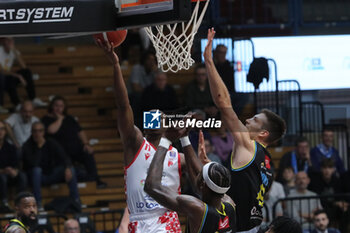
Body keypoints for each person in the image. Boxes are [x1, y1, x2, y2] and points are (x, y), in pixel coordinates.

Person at [203, 28, 286, 232]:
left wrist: (209, 61)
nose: (248, 119)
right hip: (253, 227)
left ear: (263, 133)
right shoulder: (268, 165)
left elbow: (223, 103)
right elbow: (241, 188)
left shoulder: (249, 146)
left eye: (255, 120)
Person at [97, 39, 183, 232]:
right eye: (151, 117)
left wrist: (188, 144)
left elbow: (200, 177)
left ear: (165, 126)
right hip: (139, 219)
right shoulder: (135, 143)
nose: (155, 119)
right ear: (145, 127)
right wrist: (116, 65)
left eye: (159, 117)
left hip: (166, 218)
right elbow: (123, 106)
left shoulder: (175, 155)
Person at [144, 126, 236, 233]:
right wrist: (185, 138)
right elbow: (204, 183)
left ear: (202, 184)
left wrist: (165, 140)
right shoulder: (229, 204)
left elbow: (151, 187)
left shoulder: (197, 208)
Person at [41, 96, 106, 188]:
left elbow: (80, 131)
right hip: (59, 153)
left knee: (88, 153)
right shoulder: (46, 119)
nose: (58, 108)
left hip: (75, 149)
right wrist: (59, 119)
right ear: (52, 106)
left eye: (61, 106)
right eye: (56, 105)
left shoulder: (69, 118)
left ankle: (95, 180)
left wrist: (86, 144)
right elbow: (51, 130)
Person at [22, 122, 80, 210]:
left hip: (51, 173)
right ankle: (38, 202)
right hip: (37, 177)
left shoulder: (51, 142)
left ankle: (76, 200)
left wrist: (67, 167)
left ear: (44, 132)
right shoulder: (27, 146)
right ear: (32, 132)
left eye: (40, 131)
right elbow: (33, 164)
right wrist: (39, 147)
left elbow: (64, 156)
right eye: (35, 131)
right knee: (37, 170)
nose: (38, 134)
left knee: (70, 169)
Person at [0, 37, 47, 110]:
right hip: (2, 78)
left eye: (12, 40)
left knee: (27, 72)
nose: (10, 42)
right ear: (2, 41)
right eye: (8, 40)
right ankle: (17, 104)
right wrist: (18, 76)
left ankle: (33, 98)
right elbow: (1, 71)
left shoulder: (14, 51)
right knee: (8, 79)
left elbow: (24, 67)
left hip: (9, 77)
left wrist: (14, 50)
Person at [308, 159, 349, 233]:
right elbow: (319, 198)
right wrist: (335, 203)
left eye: (330, 168)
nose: (327, 170)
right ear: (321, 169)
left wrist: (342, 204)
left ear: (333, 169)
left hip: (335, 208)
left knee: (345, 212)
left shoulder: (337, 180)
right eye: (325, 168)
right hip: (322, 207)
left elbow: (340, 196)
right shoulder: (316, 181)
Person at [0, 120, 27, 212]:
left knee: (22, 175)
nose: (0, 131)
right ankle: (4, 203)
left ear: (5, 131)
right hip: (1, 175)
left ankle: (21, 202)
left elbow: (15, 163)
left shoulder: (10, 147)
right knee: (2, 177)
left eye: (2, 129)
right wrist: (3, 171)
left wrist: (14, 170)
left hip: (9, 173)